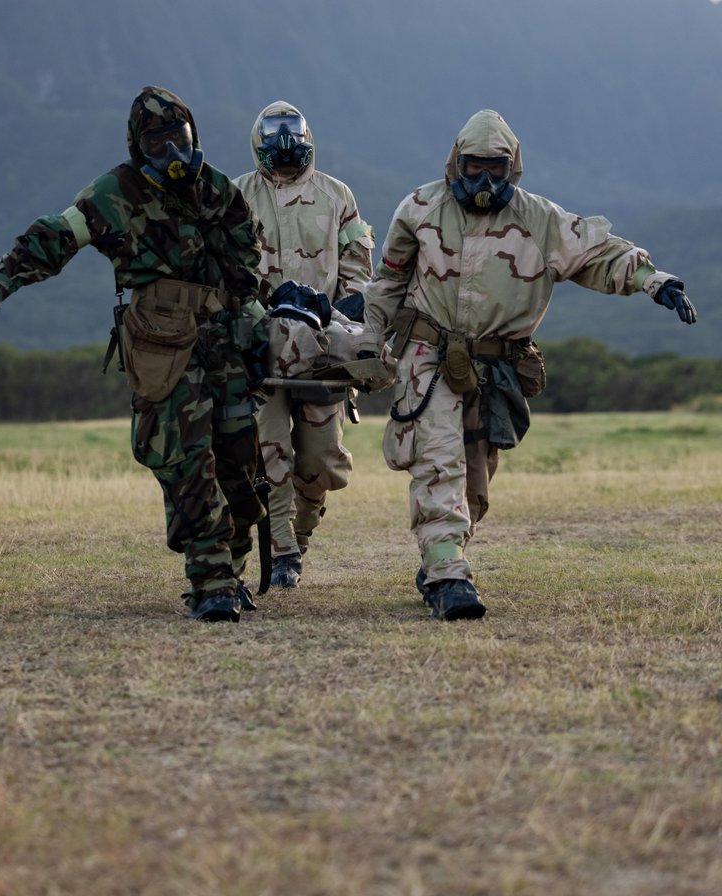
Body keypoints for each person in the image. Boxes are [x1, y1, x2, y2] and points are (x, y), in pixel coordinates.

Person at [363, 108, 698, 621]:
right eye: (474, 166)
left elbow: (599, 254)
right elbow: (387, 282)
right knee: (438, 457)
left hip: (494, 366)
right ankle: (448, 572)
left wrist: (655, 281)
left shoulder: (539, 218)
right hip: (428, 354)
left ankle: (441, 553)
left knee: (476, 482)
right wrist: (369, 341)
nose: (483, 180)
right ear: (457, 162)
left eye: (495, 169)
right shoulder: (419, 207)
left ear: (512, 168)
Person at [0, 86, 269, 624]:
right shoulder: (112, 194)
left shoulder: (217, 188)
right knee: (186, 456)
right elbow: (53, 237)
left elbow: (247, 269)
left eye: (180, 140)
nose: (172, 155)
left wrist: (260, 330)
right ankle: (211, 577)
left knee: (241, 463)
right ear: (137, 147)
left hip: (224, 338)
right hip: (161, 341)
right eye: (158, 145)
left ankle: (231, 569)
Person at [235, 102, 374, 587]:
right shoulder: (236, 196)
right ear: (258, 143)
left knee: (319, 462)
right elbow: (222, 269)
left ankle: (301, 533)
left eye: (293, 135)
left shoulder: (337, 195)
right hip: (260, 349)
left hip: (322, 351)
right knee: (269, 455)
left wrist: (352, 305)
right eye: (275, 137)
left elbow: (358, 264)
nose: (286, 145)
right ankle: (282, 554)